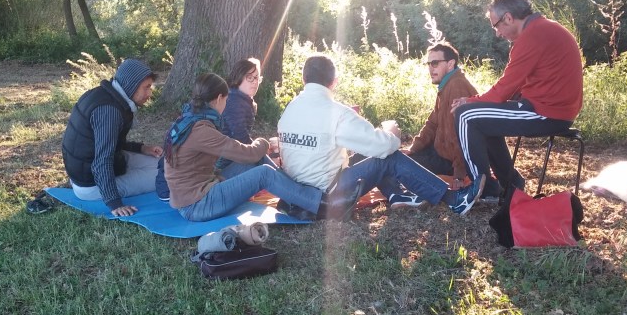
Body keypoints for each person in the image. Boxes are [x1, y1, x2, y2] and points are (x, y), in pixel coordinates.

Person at [277, 54, 477, 218]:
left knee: (365, 156)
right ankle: (454, 200)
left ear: (304, 79)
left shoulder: (290, 109)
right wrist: (392, 134)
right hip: (325, 194)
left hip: (295, 191)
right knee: (388, 157)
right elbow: (381, 146)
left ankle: (397, 195)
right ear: (333, 82)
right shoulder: (336, 112)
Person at [451, 0, 584, 215]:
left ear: (508, 18)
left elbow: (505, 88)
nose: (497, 33)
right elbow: (515, 87)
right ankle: (510, 186)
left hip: (545, 112)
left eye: (496, 26)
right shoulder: (546, 29)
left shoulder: (532, 36)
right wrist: (481, 103)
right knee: (482, 119)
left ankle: (481, 188)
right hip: (554, 109)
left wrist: (470, 101)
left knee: (466, 116)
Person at [164, 72, 336, 222]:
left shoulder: (189, 119)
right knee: (264, 173)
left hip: (196, 193)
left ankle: (297, 200)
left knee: (259, 160)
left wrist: (258, 150)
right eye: (226, 99)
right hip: (197, 205)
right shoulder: (200, 130)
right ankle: (324, 205)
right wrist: (264, 142)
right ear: (218, 98)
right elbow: (247, 153)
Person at [155, 57, 270, 201]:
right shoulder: (202, 127)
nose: (254, 82)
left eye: (257, 78)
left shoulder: (192, 118)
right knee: (263, 169)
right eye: (250, 78)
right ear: (219, 98)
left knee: (261, 165)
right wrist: (264, 144)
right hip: (188, 195)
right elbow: (243, 148)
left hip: (187, 189)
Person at [402, 41, 503, 202]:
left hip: (449, 161)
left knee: (398, 165)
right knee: (401, 158)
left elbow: (459, 136)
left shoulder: (456, 86)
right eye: (428, 63)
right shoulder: (446, 84)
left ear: (450, 64)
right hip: (440, 152)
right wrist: (413, 148)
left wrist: (459, 175)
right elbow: (432, 123)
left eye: (435, 63)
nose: (430, 68)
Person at [62, 58, 163, 217]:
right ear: (131, 85)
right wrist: (114, 203)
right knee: (169, 176)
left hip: (91, 169)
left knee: (163, 163)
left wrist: (142, 148)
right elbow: (102, 160)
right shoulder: (109, 111)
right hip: (91, 185)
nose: (150, 93)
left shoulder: (105, 96)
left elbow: (110, 142)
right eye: (147, 87)